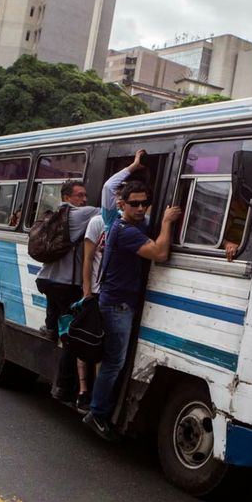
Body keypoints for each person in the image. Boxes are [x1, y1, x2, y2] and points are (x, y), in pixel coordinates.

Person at [40, 159, 144, 407]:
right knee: (78, 339)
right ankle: (71, 388)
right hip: (79, 289)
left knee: (74, 334)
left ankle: (51, 330)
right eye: (80, 195)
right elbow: (88, 259)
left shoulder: (60, 213)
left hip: (51, 281)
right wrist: (87, 291)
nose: (84, 199)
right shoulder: (95, 217)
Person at [83, 180, 182, 440]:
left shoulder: (134, 225)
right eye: (134, 204)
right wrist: (167, 222)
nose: (140, 208)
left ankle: (99, 409)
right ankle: (97, 413)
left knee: (114, 360)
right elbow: (160, 253)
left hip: (120, 303)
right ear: (122, 204)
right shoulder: (125, 230)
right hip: (117, 306)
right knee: (114, 362)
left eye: (144, 204)